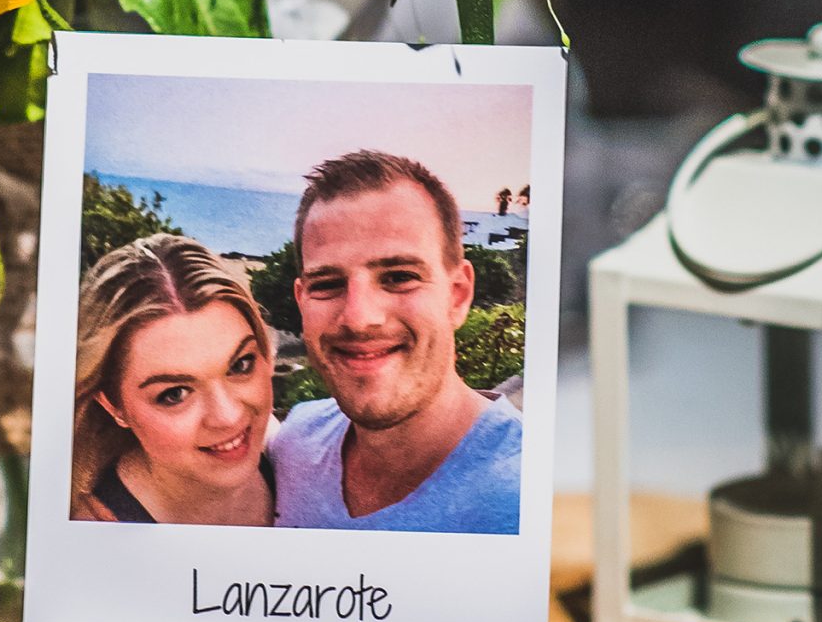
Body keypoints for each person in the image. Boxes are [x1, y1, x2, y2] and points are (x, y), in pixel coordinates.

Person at [272, 150, 521, 533]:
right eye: (327, 284)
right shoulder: (295, 441)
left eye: (399, 276)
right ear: (302, 299)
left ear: (457, 295)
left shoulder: (522, 497)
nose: (359, 318)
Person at [72, 234, 276, 526]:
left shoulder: (284, 452)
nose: (229, 417)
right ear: (113, 405)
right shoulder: (94, 542)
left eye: (241, 365)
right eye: (175, 394)